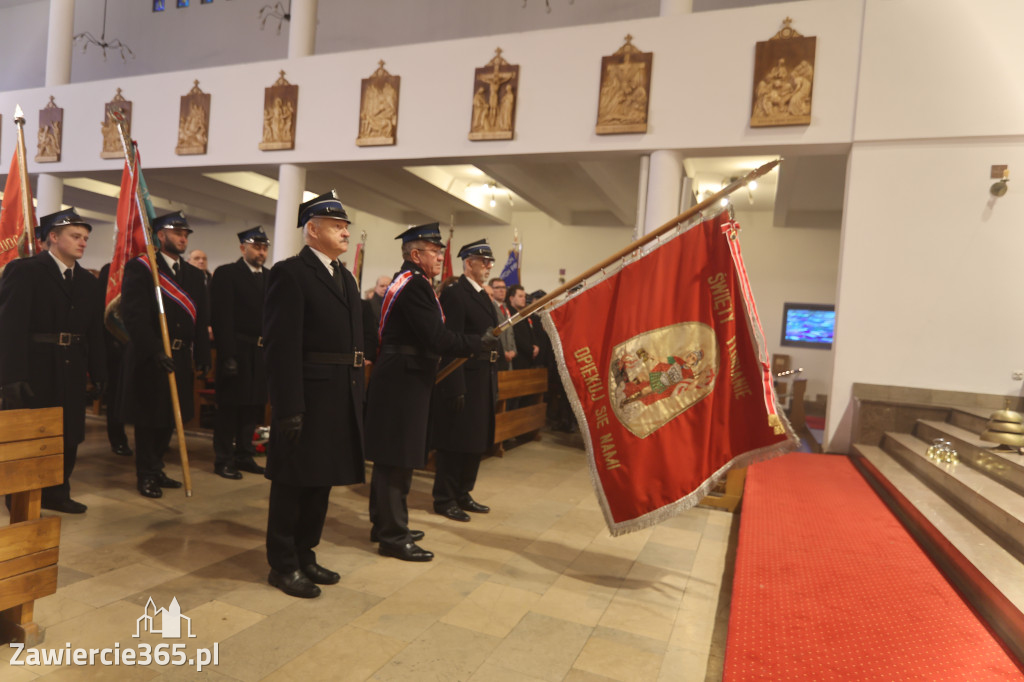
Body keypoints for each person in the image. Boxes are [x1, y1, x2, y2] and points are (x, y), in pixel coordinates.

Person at [365, 223, 497, 562]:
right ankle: (394, 536)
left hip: (402, 376)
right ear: (415, 254)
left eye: (440, 251)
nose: (441, 256)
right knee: (397, 458)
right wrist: (476, 344)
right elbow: (436, 337)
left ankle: (385, 525)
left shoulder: (411, 282)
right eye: (434, 251)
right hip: (403, 379)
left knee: (394, 458)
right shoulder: (415, 287)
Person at [263, 190, 366, 599]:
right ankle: (283, 564)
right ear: (313, 230)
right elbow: (280, 345)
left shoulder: (343, 275)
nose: (344, 231)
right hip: (306, 396)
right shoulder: (291, 273)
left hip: (339, 395)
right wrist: (288, 406)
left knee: (320, 481)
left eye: (345, 225)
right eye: (336, 225)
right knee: (293, 483)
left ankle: (306, 554)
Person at [0, 209, 106, 514]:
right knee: (31, 435)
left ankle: (58, 492)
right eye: (75, 236)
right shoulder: (26, 270)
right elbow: (10, 327)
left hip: (72, 365)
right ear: (53, 237)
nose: (83, 242)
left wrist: (99, 372)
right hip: (36, 367)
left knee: (68, 433)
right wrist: (11, 376)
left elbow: (94, 331)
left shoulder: (87, 281)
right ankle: (20, 495)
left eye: (85, 237)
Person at [118, 211, 211, 499]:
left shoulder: (194, 274)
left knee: (172, 417)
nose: (183, 237)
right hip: (152, 356)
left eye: (186, 234)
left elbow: (201, 317)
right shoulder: (143, 268)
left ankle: (157, 467)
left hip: (181, 357)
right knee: (150, 418)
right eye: (177, 232)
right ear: (160, 235)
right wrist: (155, 351)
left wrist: (204, 355)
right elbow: (134, 316)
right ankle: (145, 473)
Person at [431, 239, 500, 522]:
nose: (488, 267)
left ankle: (463, 491)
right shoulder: (456, 294)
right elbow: (452, 343)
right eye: (484, 262)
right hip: (464, 377)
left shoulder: (482, 295)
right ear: (468, 263)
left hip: (483, 377)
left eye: (489, 262)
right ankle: (445, 497)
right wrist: (454, 385)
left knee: (476, 440)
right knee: (456, 440)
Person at [209, 226, 271, 480]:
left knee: (252, 408)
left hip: (261, 352)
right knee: (230, 409)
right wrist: (228, 355)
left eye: (264, 247)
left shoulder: (270, 276)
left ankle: (244, 455)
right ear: (243, 248)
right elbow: (222, 317)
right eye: (256, 247)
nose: (261, 251)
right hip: (238, 349)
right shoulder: (228, 273)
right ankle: (223, 459)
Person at [98, 263, 133, 458]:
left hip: (142, 340)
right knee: (117, 393)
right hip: (116, 342)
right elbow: (102, 310)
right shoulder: (111, 269)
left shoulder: (151, 266)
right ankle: (118, 437)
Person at [507, 284, 539, 370]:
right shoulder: (509, 314)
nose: (524, 299)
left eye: (524, 296)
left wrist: (535, 345)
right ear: (511, 298)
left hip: (529, 356)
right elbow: (515, 335)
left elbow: (531, 330)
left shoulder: (523, 313)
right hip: (518, 357)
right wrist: (530, 349)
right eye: (520, 296)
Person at [488, 277, 517, 369]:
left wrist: (513, 350)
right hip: (498, 355)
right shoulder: (490, 307)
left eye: (504, 287)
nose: (502, 290)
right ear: (491, 289)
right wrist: (502, 352)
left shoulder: (507, 307)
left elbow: (511, 332)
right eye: (498, 288)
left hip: (510, 356)